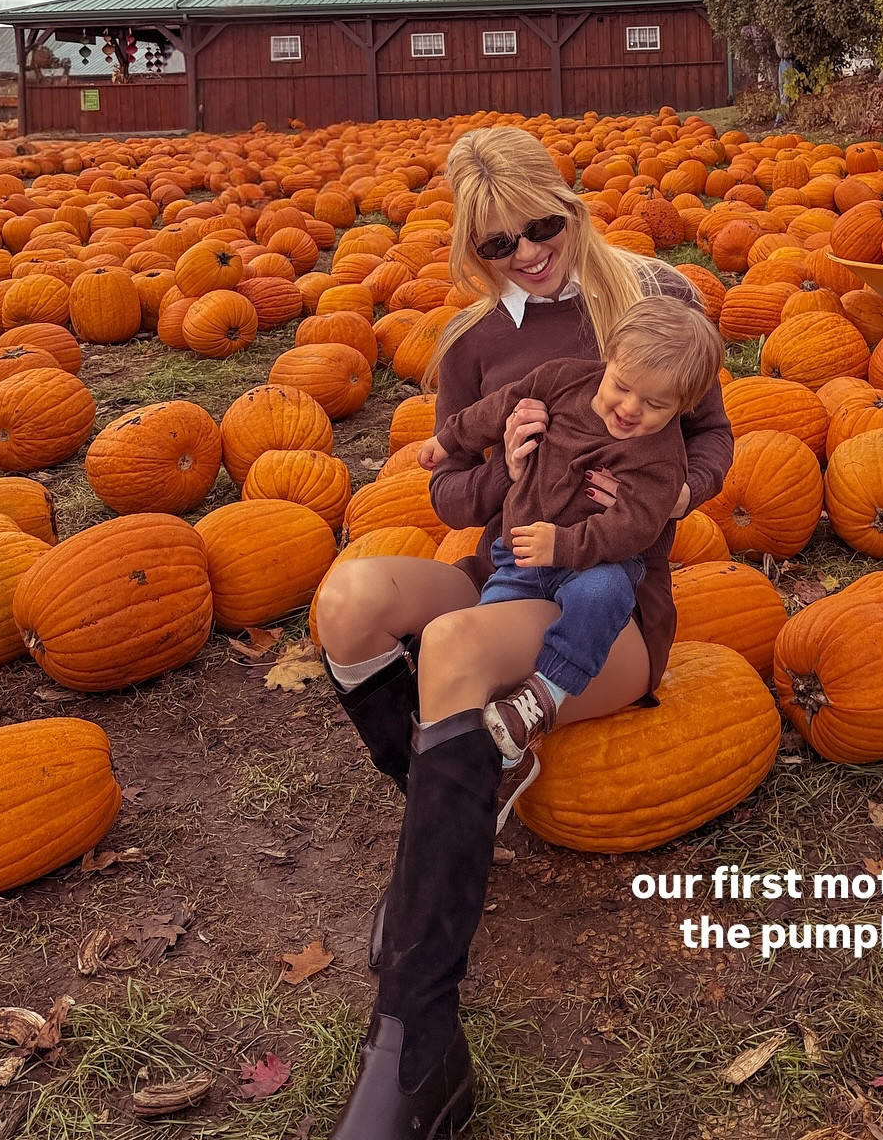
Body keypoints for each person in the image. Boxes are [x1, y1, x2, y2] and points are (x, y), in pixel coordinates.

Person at [314, 126, 734, 1139]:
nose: (528, 254)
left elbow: (714, 435)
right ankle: (444, 840)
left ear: (568, 202)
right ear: (472, 248)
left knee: (455, 653)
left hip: (609, 610)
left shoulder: (652, 301)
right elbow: (453, 491)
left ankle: (418, 1032)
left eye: (541, 226)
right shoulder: (472, 346)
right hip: (506, 568)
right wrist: (505, 460)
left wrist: (662, 497)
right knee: (347, 602)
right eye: (499, 245)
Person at [428, 295, 725, 762]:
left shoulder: (663, 458)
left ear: (683, 407)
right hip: (523, 552)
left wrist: (563, 545)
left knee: (602, 595)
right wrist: (448, 439)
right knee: (488, 631)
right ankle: (487, 736)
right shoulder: (562, 379)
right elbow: (500, 406)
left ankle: (546, 692)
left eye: (654, 404)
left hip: (598, 561)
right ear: (609, 356)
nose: (629, 408)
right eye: (622, 386)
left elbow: (634, 529)